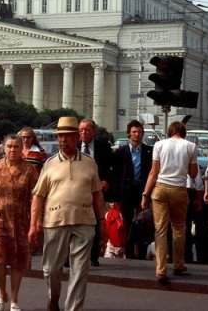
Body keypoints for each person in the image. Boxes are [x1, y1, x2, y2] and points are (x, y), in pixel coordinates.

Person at [29, 117, 104, 311]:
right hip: (55, 221)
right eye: (60, 136)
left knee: (79, 271)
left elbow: (97, 194)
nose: (63, 140)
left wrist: (102, 221)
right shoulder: (50, 164)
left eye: (67, 136)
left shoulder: (89, 163)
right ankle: (53, 297)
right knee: (51, 269)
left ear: (76, 137)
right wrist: (34, 224)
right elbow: (38, 196)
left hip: (84, 222)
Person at [0, 135, 39, 311]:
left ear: (22, 149)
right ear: (4, 148)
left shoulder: (30, 170)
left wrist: (36, 221)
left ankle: (14, 299)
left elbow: (37, 197)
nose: (13, 150)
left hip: (21, 219)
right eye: (9, 146)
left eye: (16, 147)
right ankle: (1, 292)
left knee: (18, 259)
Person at [141, 121, 198, 286]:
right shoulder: (191, 146)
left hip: (160, 189)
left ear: (169, 131)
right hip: (179, 189)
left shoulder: (159, 145)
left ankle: (160, 270)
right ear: (183, 132)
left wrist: (145, 194)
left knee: (160, 230)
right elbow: (193, 174)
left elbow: (153, 172)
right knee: (179, 228)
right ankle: (179, 264)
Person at [113, 120, 153, 259]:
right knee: (128, 221)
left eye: (140, 132)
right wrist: (116, 196)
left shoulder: (149, 151)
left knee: (143, 221)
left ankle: (141, 251)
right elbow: (116, 174)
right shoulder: (121, 152)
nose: (137, 135)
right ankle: (129, 251)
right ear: (129, 134)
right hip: (126, 192)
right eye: (134, 132)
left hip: (143, 191)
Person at [78, 118, 114, 266]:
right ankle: (71, 256)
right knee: (75, 223)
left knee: (95, 223)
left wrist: (106, 180)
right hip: (77, 191)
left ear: (93, 131)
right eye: (81, 130)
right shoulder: (73, 146)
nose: (84, 133)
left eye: (87, 130)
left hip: (96, 191)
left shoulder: (103, 147)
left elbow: (112, 167)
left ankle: (93, 256)